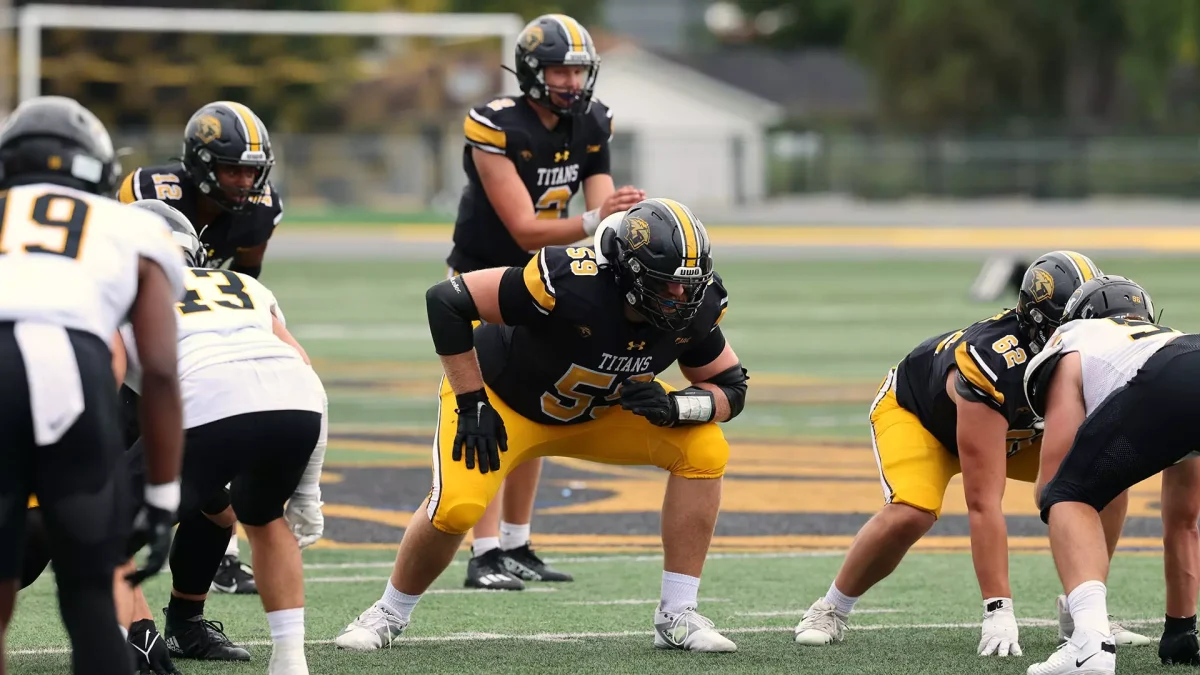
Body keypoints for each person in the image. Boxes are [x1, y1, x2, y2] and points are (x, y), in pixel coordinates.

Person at [336, 198, 747, 653]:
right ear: (628, 273)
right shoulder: (571, 281)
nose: (680, 297)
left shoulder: (697, 304)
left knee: (704, 449)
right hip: (502, 402)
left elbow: (729, 387)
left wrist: (677, 409)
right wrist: (472, 401)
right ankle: (388, 611)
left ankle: (677, 613)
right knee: (456, 509)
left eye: (688, 285)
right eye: (666, 284)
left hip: (598, 413)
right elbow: (447, 301)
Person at [793, 251, 1148, 655]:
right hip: (923, 421)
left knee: (1108, 479)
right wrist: (998, 608)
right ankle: (831, 608)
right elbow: (983, 504)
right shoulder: (993, 361)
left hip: (1015, 430)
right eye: (1068, 328)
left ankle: (1082, 610)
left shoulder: (1090, 353)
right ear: (1037, 322)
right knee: (913, 510)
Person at [449, 12, 647, 590]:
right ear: (533, 72)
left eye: (578, 70)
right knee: (487, 406)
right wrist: (595, 219)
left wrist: (623, 228)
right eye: (560, 69)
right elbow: (523, 225)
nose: (570, 81)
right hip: (482, 279)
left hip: (544, 277)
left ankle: (516, 542)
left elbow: (605, 220)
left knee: (535, 396)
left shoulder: (592, 120)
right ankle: (484, 551)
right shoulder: (495, 124)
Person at [0, 95, 186, 675]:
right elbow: (158, 368)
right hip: (71, 373)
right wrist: (161, 494)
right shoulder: (130, 225)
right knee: (86, 595)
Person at [116, 199, 326, 674]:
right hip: (293, 403)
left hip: (199, 402)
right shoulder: (244, 284)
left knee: (103, 529)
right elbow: (303, 369)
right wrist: (308, 489)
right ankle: (291, 662)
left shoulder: (118, 292)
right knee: (254, 515)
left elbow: (102, 379)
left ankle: (138, 640)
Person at [117, 99, 283, 598]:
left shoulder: (261, 210)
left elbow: (246, 278)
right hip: (132, 346)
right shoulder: (151, 192)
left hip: (191, 347)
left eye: (251, 171)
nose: (244, 182)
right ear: (201, 164)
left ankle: (189, 612)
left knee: (211, 487)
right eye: (232, 169)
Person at [1024, 275, 1200, 674]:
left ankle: (1089, 646)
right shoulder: (1166, 337)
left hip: (1165, 382)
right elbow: (1184, 521)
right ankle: (1183, 634)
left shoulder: (1074, 339)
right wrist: (1179, 629)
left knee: (1066, 495)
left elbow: (1055, 484)